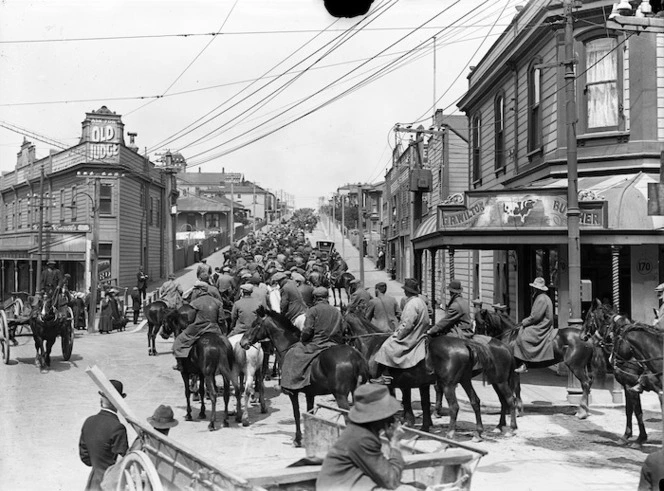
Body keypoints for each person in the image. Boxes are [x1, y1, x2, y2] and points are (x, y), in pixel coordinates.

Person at [317, 384, 406, 491]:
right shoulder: (363, 438)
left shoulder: (361, 431)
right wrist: (394, 442)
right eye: (389, 414)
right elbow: (391, 480)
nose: (392, 419)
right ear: (379, 416)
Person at [100, 405, 178, 491]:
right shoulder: (171, 450)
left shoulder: (143, 440)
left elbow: (130, 456)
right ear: (169, 427)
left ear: (153, 424)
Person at [280, 287, 344, 392]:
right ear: (327, 297)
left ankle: (289, 385)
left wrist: (303, 339)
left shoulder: (312, 311)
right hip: (335, 343)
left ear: (315, 298)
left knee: (292, 353)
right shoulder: (336, 311)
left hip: (317, 343)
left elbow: (307, 330)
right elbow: (342, 328)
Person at [371, 279, 430, 386]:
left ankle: (386, 375)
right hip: (420, 333)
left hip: (412, 336)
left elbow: (407, 324)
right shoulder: (421, 301)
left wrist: (398, 335)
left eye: (405, 290)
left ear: (408, 291)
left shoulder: (411, 304)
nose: (404, 292)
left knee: (386, 346)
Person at [79, 379, 129, 491]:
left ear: (101, 398)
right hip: (110, 484)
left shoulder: (89, 421)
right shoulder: (117, 427)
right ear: (118, 402)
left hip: (93, 482)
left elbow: (85, 457)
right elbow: (124, 462)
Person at [172, 285, 225, 371]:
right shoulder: (218, 302)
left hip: (198, 328)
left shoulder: (194, 303)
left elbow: (190, 319)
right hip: (214, 328)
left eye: (195, 290)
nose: (194, 292)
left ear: (200, 291)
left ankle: (180, 364)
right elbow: (221, 319)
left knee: (179, 340)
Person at [514, 277, 555, 373]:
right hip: (542, 323)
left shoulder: (541, 299)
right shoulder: (544, 297)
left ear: (538, 289)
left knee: (523, 336)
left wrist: (523, 322)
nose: (534, 289)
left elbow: (535, 317)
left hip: (542, 325)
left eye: (535, 288)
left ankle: (525, 363)